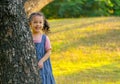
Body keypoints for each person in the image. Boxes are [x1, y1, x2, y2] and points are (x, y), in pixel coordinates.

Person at [29, 12, 55, 84]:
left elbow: (49, 51)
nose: (38, 24)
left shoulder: (44, 38)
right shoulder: (27, 37)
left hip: (42, 66)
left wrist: (41, 61)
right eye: (35, 22)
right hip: (31, 66)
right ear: (30, 23)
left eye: (40, 22)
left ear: (43, 24)